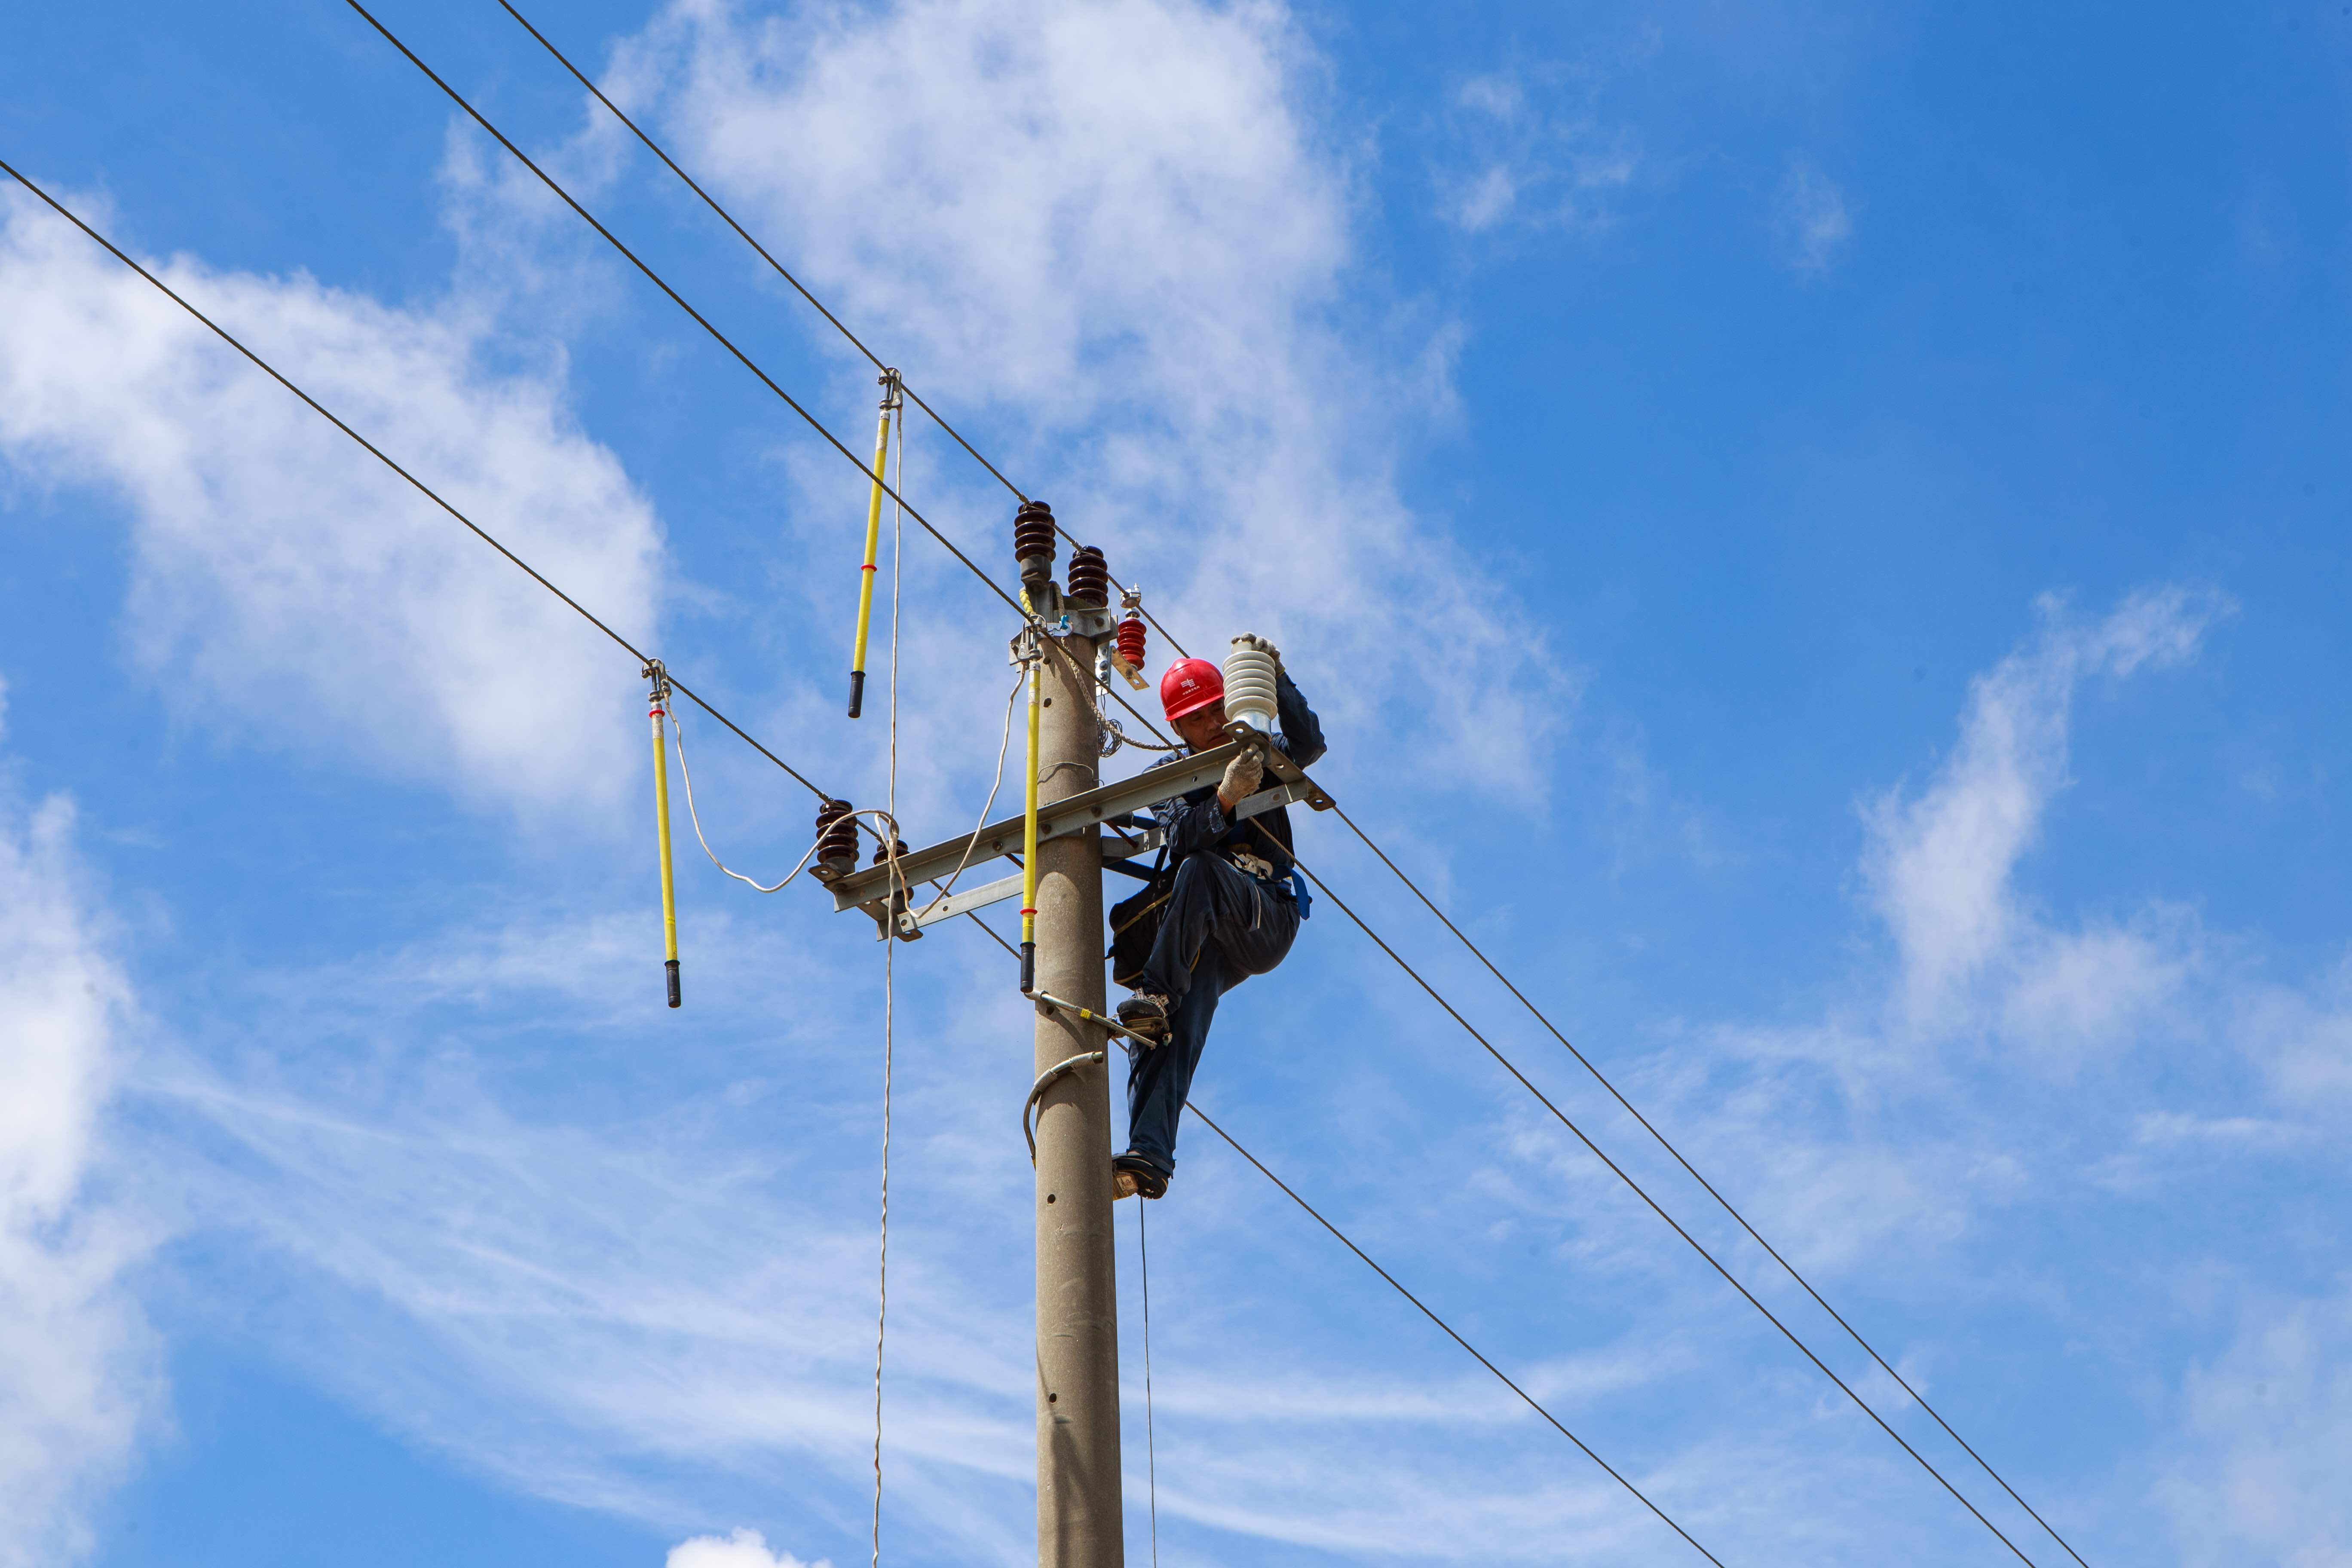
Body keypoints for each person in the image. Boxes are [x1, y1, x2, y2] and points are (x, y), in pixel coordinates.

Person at [1111, 633, 1325, 1200]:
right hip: (1208, 933)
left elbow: (1310, 743)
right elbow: (1181, 834)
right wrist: (1225, 799)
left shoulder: (1257, 748)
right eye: (1195, 718)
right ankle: (1148, 1159)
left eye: (1214, 709)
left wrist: (1276, 677)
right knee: (1159, 1034)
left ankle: (1156, 993)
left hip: (1265, 915)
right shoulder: (1171, 777)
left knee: (1203, 874)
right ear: (1177, 729)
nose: (1209, 723)